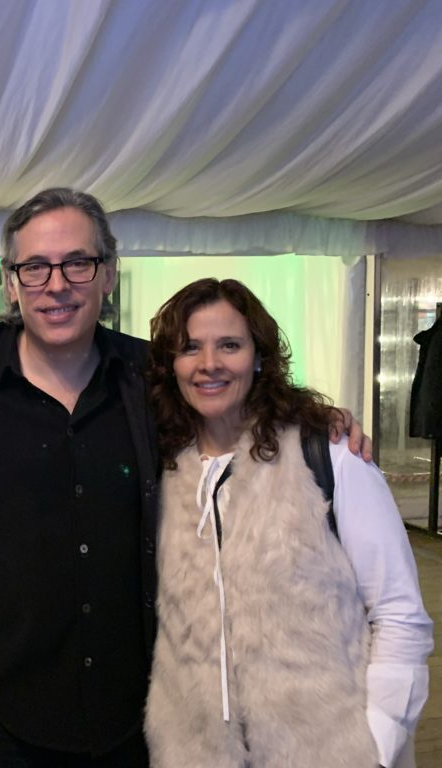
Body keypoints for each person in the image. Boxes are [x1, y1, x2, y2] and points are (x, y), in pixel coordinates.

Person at [0, 188, 369, 767]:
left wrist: (316, 416)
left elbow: (233, 403)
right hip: (4, 717)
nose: (57, 284)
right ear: (10, 282)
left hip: (141, 715)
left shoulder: (149, 380)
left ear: (108, 273)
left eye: (78, 262)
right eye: (34, 267)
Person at [144, 278, 432, 768]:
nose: (209, 363)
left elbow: (399, 614)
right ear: (172, 365)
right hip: (193, 751)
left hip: (327, 750)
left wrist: (376, 745)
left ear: (259, 357)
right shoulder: (161, 466)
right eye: (190, 347)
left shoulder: (326, 453)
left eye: (229, 345)